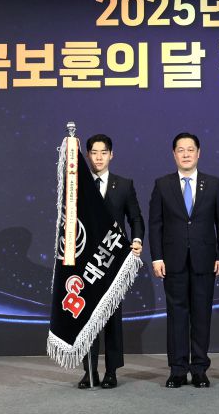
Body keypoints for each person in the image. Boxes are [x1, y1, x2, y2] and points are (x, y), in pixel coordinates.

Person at [148, 132, 219, 388]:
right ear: (174, 154)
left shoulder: (213, 184)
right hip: (173, 261)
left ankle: (200, 369)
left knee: (202, 315)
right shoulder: (162, 184)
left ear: (198, 153)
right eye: (180, 150)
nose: (186, 154)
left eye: (190, 149)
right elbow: (155, 224)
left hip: (205, 260)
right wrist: (156, 257)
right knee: (176, 316)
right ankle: (177, 369)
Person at [78, 134, 145, 389]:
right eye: (94, 153)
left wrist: (137, 240)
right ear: (88, 155)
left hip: (115, 261)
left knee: (113, 319)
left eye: (103, 152)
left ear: (111, 155)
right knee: (88, 318)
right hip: (87, 263)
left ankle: (111, 372)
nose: (98, 157)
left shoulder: (124, 185)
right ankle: (89, 371)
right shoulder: (79, 186)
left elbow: (136, 218)